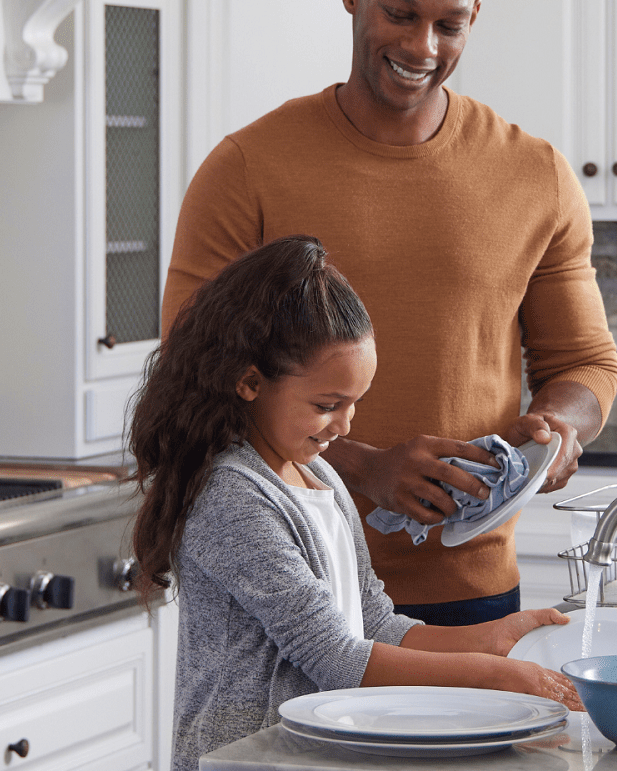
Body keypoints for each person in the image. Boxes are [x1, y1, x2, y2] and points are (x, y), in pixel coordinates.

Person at [160, 0, 617, 624]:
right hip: (289, 582)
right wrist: (365, 469)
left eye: (449, 24)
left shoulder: (536, 175)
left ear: (473, 16)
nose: (423, 46)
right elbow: (191, 383)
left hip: (471, 589)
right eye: (400, 15)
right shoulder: (247, 169)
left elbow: (588, 365)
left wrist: (557, 426)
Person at [130, 236, 580, 771]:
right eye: (327, 405)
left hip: (318, 755)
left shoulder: (319, 475)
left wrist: (491, 639)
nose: (345, 427)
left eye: (354, 403)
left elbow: (371, 622)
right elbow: (337, 659)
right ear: (250, 382)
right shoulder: (231, 495)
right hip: (247, 760)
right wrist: (498, 676)